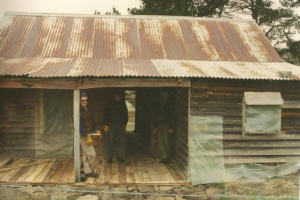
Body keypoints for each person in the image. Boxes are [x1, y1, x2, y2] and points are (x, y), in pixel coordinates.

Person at [79, 92, 101, 178]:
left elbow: (92, 121)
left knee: (86, 154)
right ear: (80, 101)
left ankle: (87, 171)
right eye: (82, 100)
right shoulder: (78, 111)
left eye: (86, 100)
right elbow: (79, 126)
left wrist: (97, 129)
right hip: (83, 135)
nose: (84, 102)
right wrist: (85, 136)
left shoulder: (88, 109)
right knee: (92, 154)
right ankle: (89, 170)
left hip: (90, 133)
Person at [104, 89, 128, 163]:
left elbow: (125, 114)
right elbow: (106, 114)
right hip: (112, 125)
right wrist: (106, 124)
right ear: (114, 95)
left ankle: (119, 157)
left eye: (119, 94)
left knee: (119, 142)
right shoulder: (110, 103)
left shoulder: (123, 103)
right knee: (110, 142)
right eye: (117, 94)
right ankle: (110, 158)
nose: (119, 96)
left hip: (120, 125)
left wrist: (125, 123)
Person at [153, 91, 175, 164]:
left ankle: (167, 157)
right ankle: (165, 157)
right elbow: (156, 116)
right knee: (161, 142)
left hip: (167, 125)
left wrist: (172, 126)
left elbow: (172, 116)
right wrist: (155, 126)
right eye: (160, 97)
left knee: (167, 141)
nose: (161, 98)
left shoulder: (169, 106)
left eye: (162, 97)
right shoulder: (158, 105)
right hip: (159, 125)